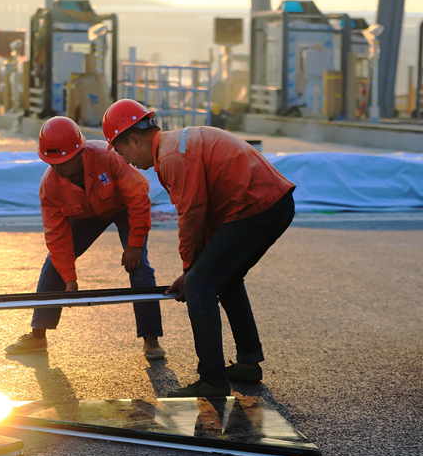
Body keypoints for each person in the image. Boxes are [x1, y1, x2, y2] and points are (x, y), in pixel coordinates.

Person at [102, 99, 295, 397]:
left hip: (258, 206)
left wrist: (190, 274)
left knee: (200, 287)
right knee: (224, 279)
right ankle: (247, 362)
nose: (125, 160)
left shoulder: (171, 157)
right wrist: (194, 269)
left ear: (136, 139)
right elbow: (204, 216)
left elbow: (192, 216)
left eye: (121, 150)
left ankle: (213, 382)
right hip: (268, 204)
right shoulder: (174, 145)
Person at [4, 116, 165, 357]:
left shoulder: (108, 156)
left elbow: (138, 200)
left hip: (124, 207)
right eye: (51, 162)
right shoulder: (50, 186)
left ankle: (150, 337)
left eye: (63, 161)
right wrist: (69, 277)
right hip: (89, 214)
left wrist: (134, 245)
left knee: (138, 266)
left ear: (79, 152)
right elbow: (57, 238)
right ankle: (38, 334)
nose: (57, 167)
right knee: (54, 264)